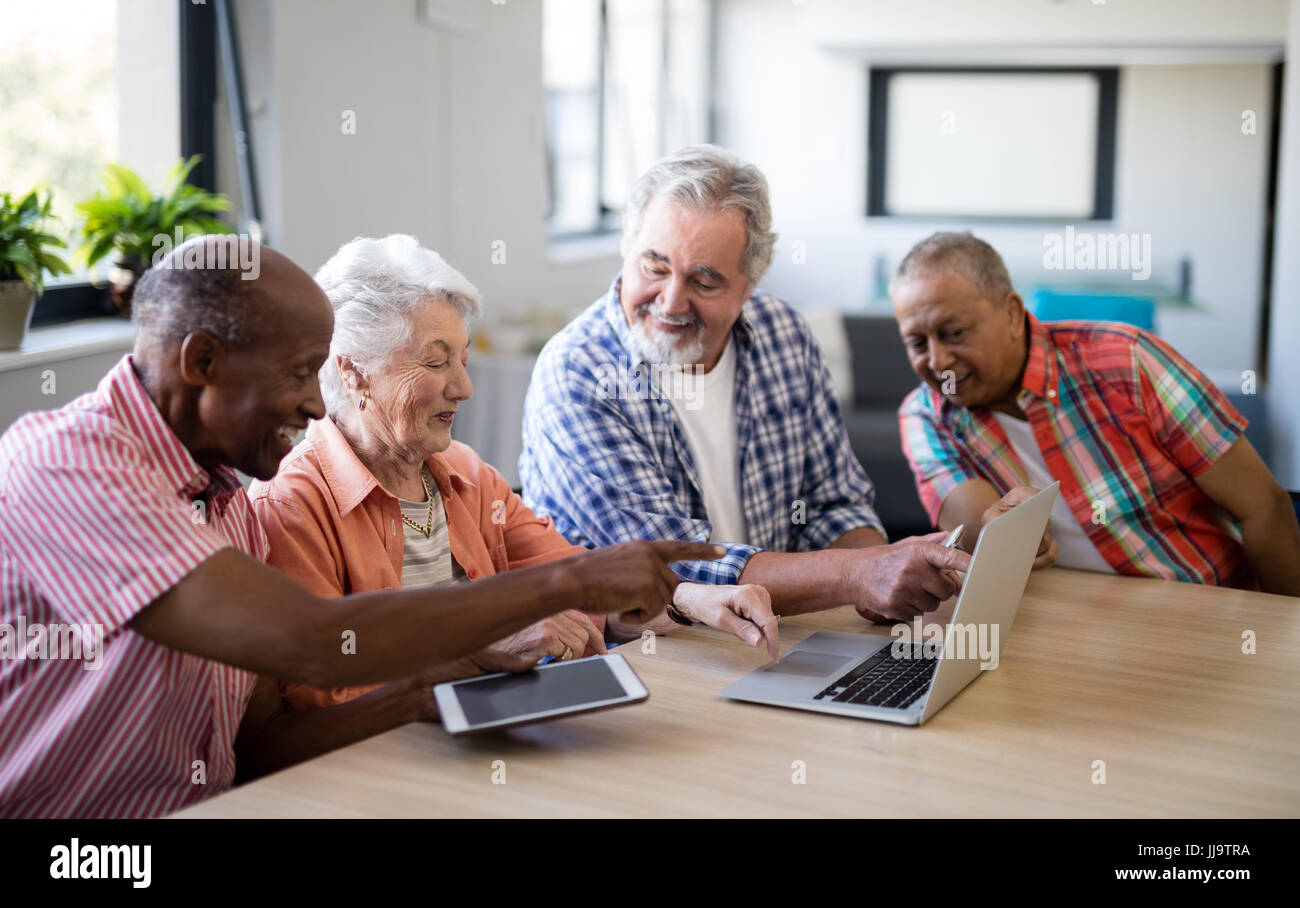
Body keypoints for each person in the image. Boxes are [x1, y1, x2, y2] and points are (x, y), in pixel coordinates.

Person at [0, 235, 713, 818]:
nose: (317, 406)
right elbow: (315, 641)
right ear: (203, 363)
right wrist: (569, 580)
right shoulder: (68, 462)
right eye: (301, 374)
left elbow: (263, 750)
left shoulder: (227, 508)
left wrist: (435, 692)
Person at [249, 234, 779, 711]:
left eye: (463, 360)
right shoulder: (291, 505)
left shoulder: (465, 475)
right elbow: (317, 698)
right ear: (352, 371)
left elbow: (579, 581)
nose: (463, 388)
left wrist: (692, 599)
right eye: (436, 364)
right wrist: (475, 648)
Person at [520, 145, 971, 630]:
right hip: (644, 657)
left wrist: (875, 578)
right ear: (627, 252)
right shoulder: (578, 373)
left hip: (775, 636)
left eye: (704, 280)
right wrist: (856, 574)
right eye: (654, 267)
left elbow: (832, 503)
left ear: (747, 287)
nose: (671, 301)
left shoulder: (784, 334)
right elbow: (669, 565)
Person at [891, 230, 1300, 595]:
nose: (938, 360)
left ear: (1012, 314)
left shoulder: (1128, 360)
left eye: (955, 333)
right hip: (1067, 628)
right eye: (917, 343)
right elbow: (981, 537)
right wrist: (1006, 532)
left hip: (1202, 606)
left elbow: (1265, 507)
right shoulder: (926, 416)